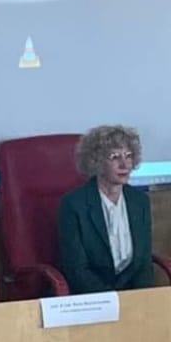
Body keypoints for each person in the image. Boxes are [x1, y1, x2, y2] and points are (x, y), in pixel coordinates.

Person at [57, 125, 154, 293]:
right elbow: (77, 270)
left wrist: (142, 298)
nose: (124, 164)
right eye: (114, 157)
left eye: (128, 155)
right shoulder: (73, 205)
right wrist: (111, 299)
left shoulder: (140, 202)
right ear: (97, 162)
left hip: (133, 295)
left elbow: (143, 263)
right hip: (92, 296)